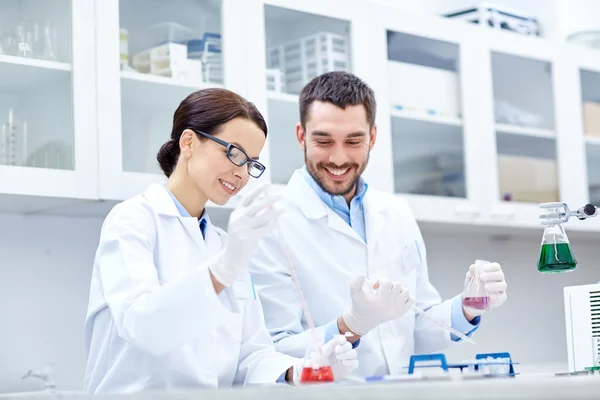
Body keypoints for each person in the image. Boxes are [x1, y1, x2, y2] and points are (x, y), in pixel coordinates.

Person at [83, 88, 358, 393]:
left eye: (251, 162)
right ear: (188, 142)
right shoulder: (133, 220)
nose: (241, 173)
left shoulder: (224, 244)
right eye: (234, 153)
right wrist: (222, 271)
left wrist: (299, 370)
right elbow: (143, 327)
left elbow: (250, 354)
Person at [249, 72, 508, 378]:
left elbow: (418, 326)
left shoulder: (396, 212)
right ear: (301, 136)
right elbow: (276, 350)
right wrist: (352, 325)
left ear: (372, 137)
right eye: (323, 140)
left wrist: (466, 307)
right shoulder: (269, 221)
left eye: (354, 141)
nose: (338, 157)